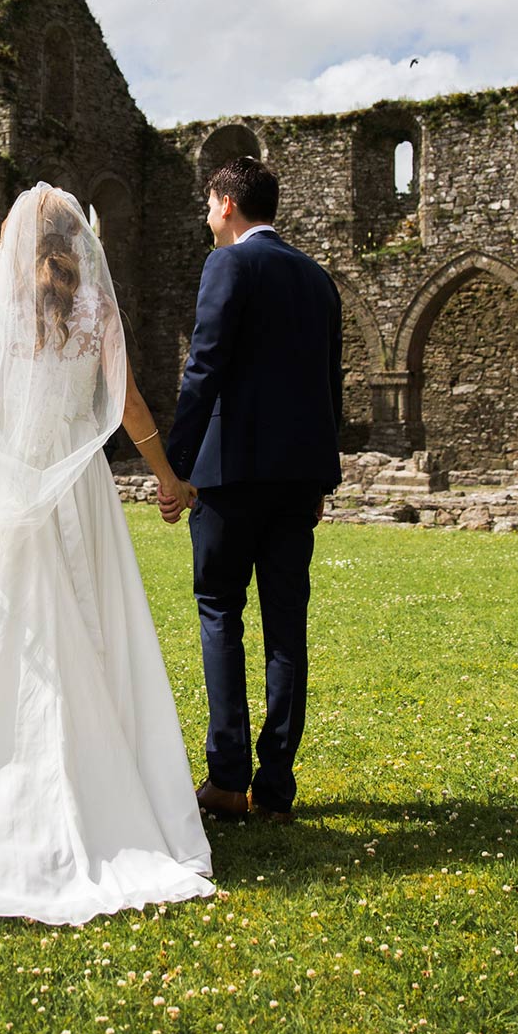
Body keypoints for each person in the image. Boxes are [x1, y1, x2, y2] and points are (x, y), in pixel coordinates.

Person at [0, 183, 212, 924]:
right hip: (80, 485)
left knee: (16, 640)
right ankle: (119, 797)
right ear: (78, 239)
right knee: (98, 634)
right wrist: (167, 477)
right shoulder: (96, 303)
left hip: (25, 479)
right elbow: (127, 401)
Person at [163, 156, 342, 826]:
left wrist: (175, 467)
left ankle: (228, 778)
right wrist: (323, 474)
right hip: (298, 480)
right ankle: (276, 788)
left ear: (229, 204)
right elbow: (331, 386)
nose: (208, 217)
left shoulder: (228, 265)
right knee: (286, 627)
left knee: (219, 610)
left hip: (229, 474)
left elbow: (202, 367)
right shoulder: (319, 280)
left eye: (210, 205)